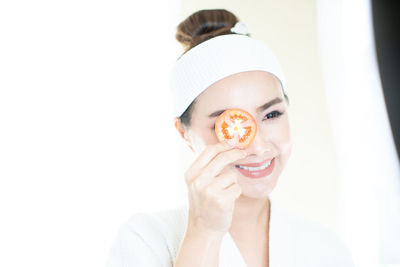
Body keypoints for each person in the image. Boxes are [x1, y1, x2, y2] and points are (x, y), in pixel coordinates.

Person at [105, 9, 354, 267]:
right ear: (184, 134)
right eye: (228, 124)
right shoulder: (144, 241)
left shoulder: (327, 249)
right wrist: (204, 233)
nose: (257, 147)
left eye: (271, 115)